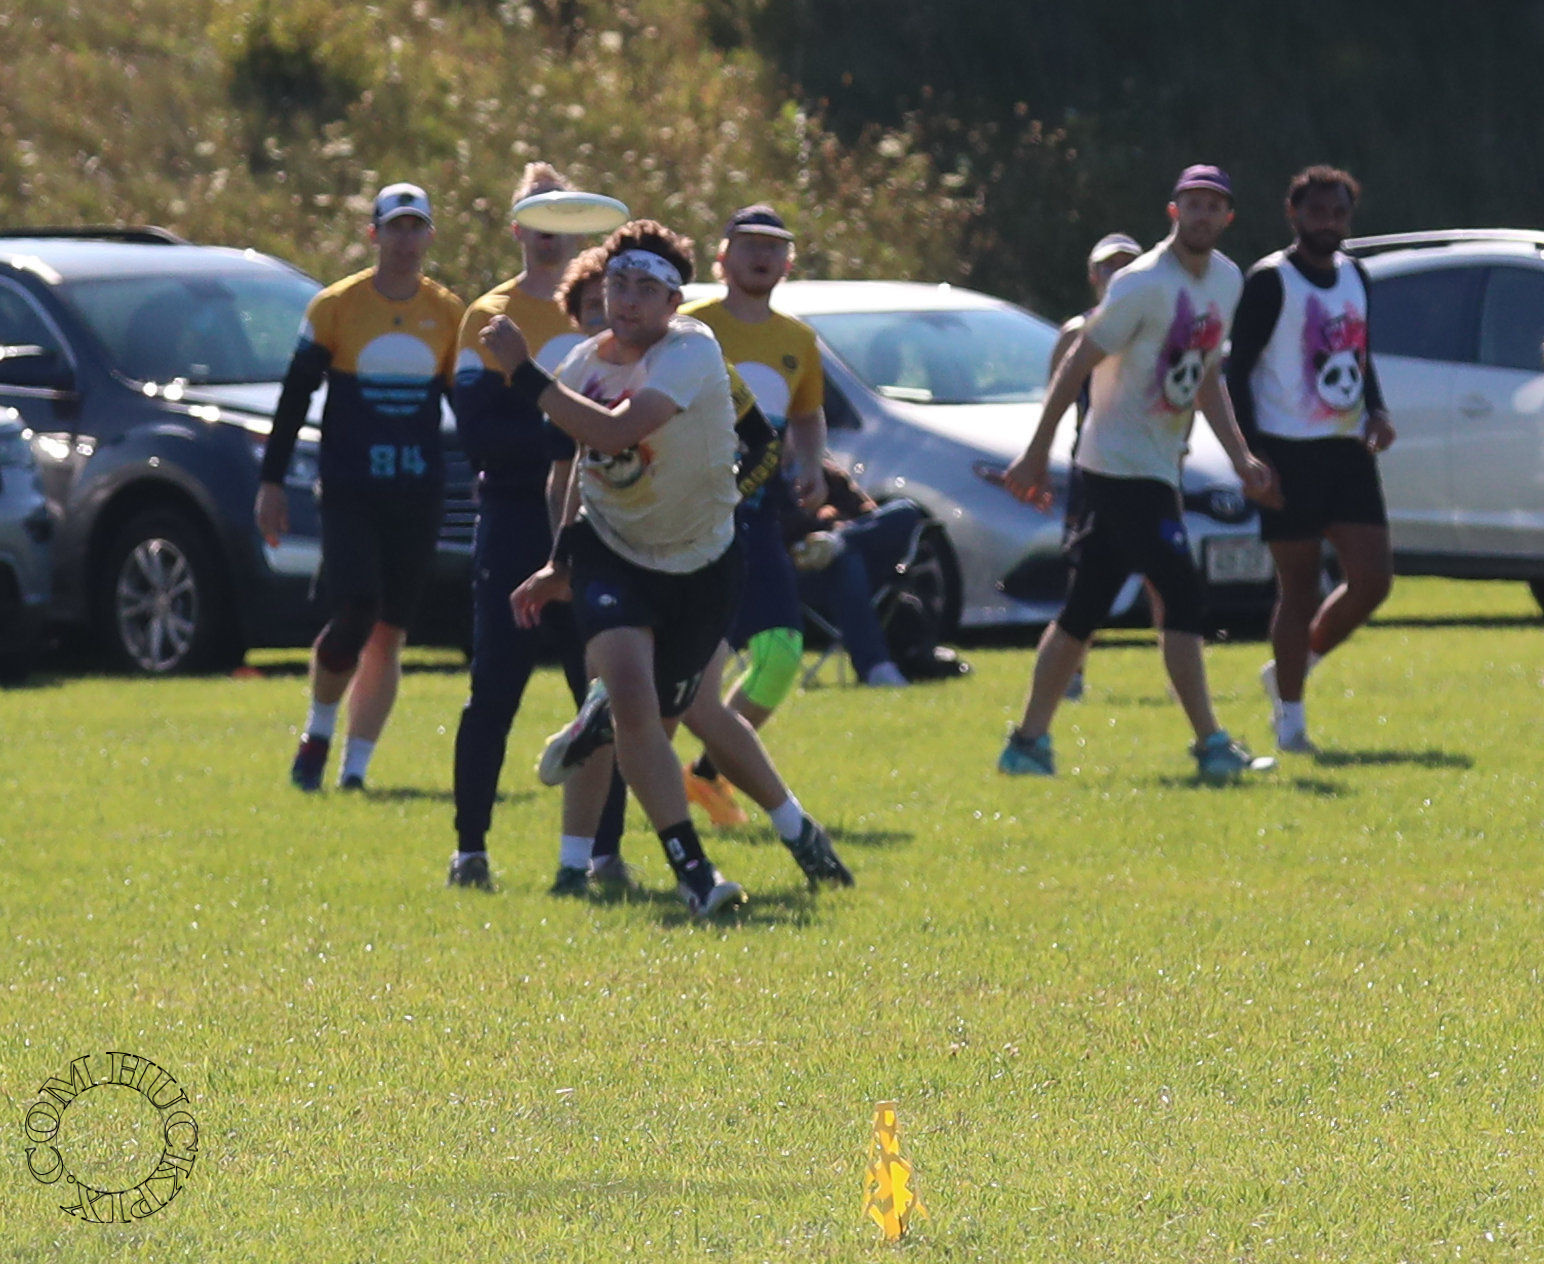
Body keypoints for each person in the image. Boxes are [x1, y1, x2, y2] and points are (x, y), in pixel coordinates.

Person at [482, 220, 842, 917]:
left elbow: (618, 430)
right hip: (614, 553)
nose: (626, 299)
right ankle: (693, 874)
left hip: (702, 562)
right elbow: (583, 465)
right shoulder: (580, 365)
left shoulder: (692, 349)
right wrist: (560, 562)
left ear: (675, 301)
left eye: (646, 287)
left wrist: (522, 370)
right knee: (633, 700)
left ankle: (607, 738)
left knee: (663, 717)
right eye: (618, 283)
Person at [1001, 165, 1280, 781]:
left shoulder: (1227, 280)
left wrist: (1240, 456)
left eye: (1214, 205)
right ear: (1173, 211)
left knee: (1084, 610)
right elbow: (1077, 360)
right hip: (1116, 469)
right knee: (1180, 593)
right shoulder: (1141, 283)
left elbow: (1206, 375)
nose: (1202, 214)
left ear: (1228, 217)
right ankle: (1211, 745)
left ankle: (1026, 744)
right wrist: (1037, 450)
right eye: (1192, 204)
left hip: (1158, 466)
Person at [446, 163, 627, 893]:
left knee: (603, 694)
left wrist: (565, 430)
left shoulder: (609, 309)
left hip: (603, 519)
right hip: (516, 520)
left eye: (562, 220)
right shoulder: (488, 316)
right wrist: (577, 433)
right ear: (516, 227)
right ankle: (470, 851)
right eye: (536, 219)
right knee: (495, 688)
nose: (549, 235)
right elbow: (483, 435)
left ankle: (602, 855)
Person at [257, 182, 464, 792]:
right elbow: (295, 398)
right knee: (355, 610)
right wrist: (271, 481)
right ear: (373, 235)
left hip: (417, 492)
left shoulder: (448, 312)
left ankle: (355, 770)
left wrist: (491, 472)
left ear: (430, 236)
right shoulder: (336, 306)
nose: (406, 240)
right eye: (395, 227)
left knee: (391, 631)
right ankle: (318, 733)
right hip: (351, 489)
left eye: (416, 227)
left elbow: (466, 405)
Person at [1225, 165, 1396, 753]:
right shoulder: (1270, 280)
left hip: (1346, 451)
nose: (1329, 223)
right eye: (1317, 212)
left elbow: (1359, 353)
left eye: (1339, 213)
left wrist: (1377, 410)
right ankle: (1292, 724)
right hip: (1287, 454)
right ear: (1294, 214)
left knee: (1372, 581)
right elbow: (1236, 372)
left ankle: (1291, 668)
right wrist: (1252, 455)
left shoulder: (1356, 275)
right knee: (1297, 591)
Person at [675, 204, 829, 827]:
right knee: (688, 669)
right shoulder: (690, 327)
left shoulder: (798, 339)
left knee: (783, 651)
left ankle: (708, 774)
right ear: (723, 256)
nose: (762, 256)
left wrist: (812, 463)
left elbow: (807, 414)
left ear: (788, 262)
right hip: (691, 517)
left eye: (774, 246)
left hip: (759, 518)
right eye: (750, 244)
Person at [1048, 232, 1145, 701]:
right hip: (1093, 466)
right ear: (1093, 275)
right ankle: (1072, 672)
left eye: (1129, 265)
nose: (1118, 274)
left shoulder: (1155, 324)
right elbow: (1058, 394)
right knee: (1083, 568)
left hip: (1148, 461)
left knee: (1165, 572)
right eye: (1110, 266)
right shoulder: (1077, 331)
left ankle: (1178, 672)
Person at [780, 456, 922, 685]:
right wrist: (824, 524)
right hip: (800, 573)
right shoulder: (764, 480)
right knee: (845, 560)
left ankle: (838, 542)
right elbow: (779, 532)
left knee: (906, 510)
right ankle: (875, 667)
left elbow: (865, 512)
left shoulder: (822, 470)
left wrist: (840, 529)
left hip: (857, 565)